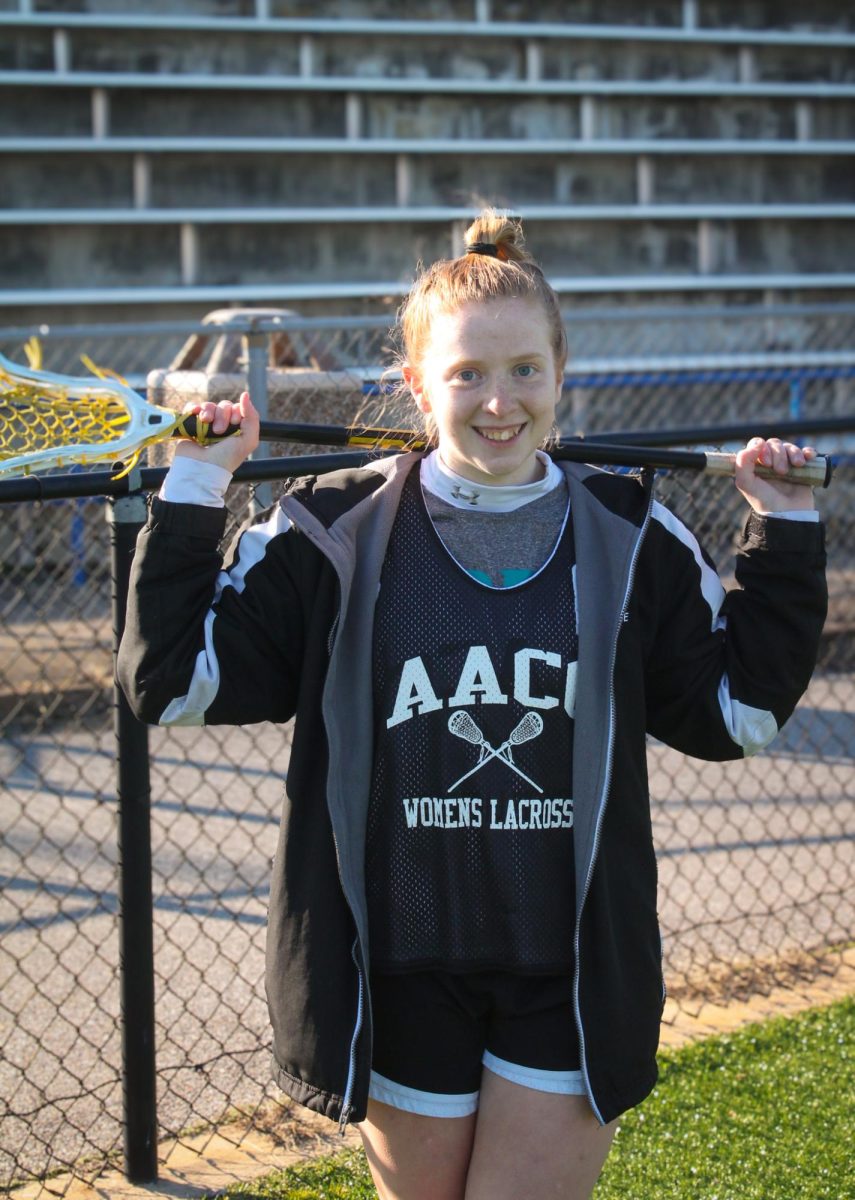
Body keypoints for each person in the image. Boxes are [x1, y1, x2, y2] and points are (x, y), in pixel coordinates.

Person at [117, 211, 827, 1200]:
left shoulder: (631, 535)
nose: (500, 401)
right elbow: (170, 684)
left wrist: (785, 532)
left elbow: (738, 715)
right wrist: (194, 487)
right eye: (467, 375)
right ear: (417, 386)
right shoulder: (333, 531)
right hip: (401, 971)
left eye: (525, 372)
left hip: (565, 978)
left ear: (560, 375)